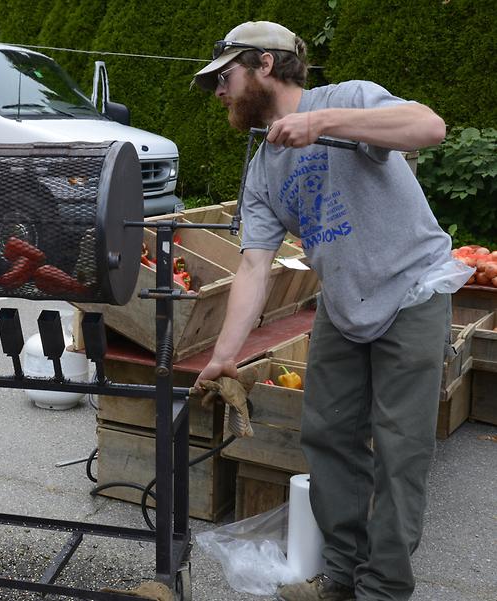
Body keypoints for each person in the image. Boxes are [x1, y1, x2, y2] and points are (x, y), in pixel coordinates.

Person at [190, 21, 470, 601]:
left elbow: (429, 127)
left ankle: (384, 589)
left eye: (224, 77)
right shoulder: (262, 168)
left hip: (413, 291)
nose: (217, 91)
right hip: (345, 308)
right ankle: (343, 576)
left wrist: (322, 123)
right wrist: (222, 357)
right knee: (326, 436)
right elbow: (253, 267)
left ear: (264, 64)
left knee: (399, 451)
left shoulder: (346, 99)